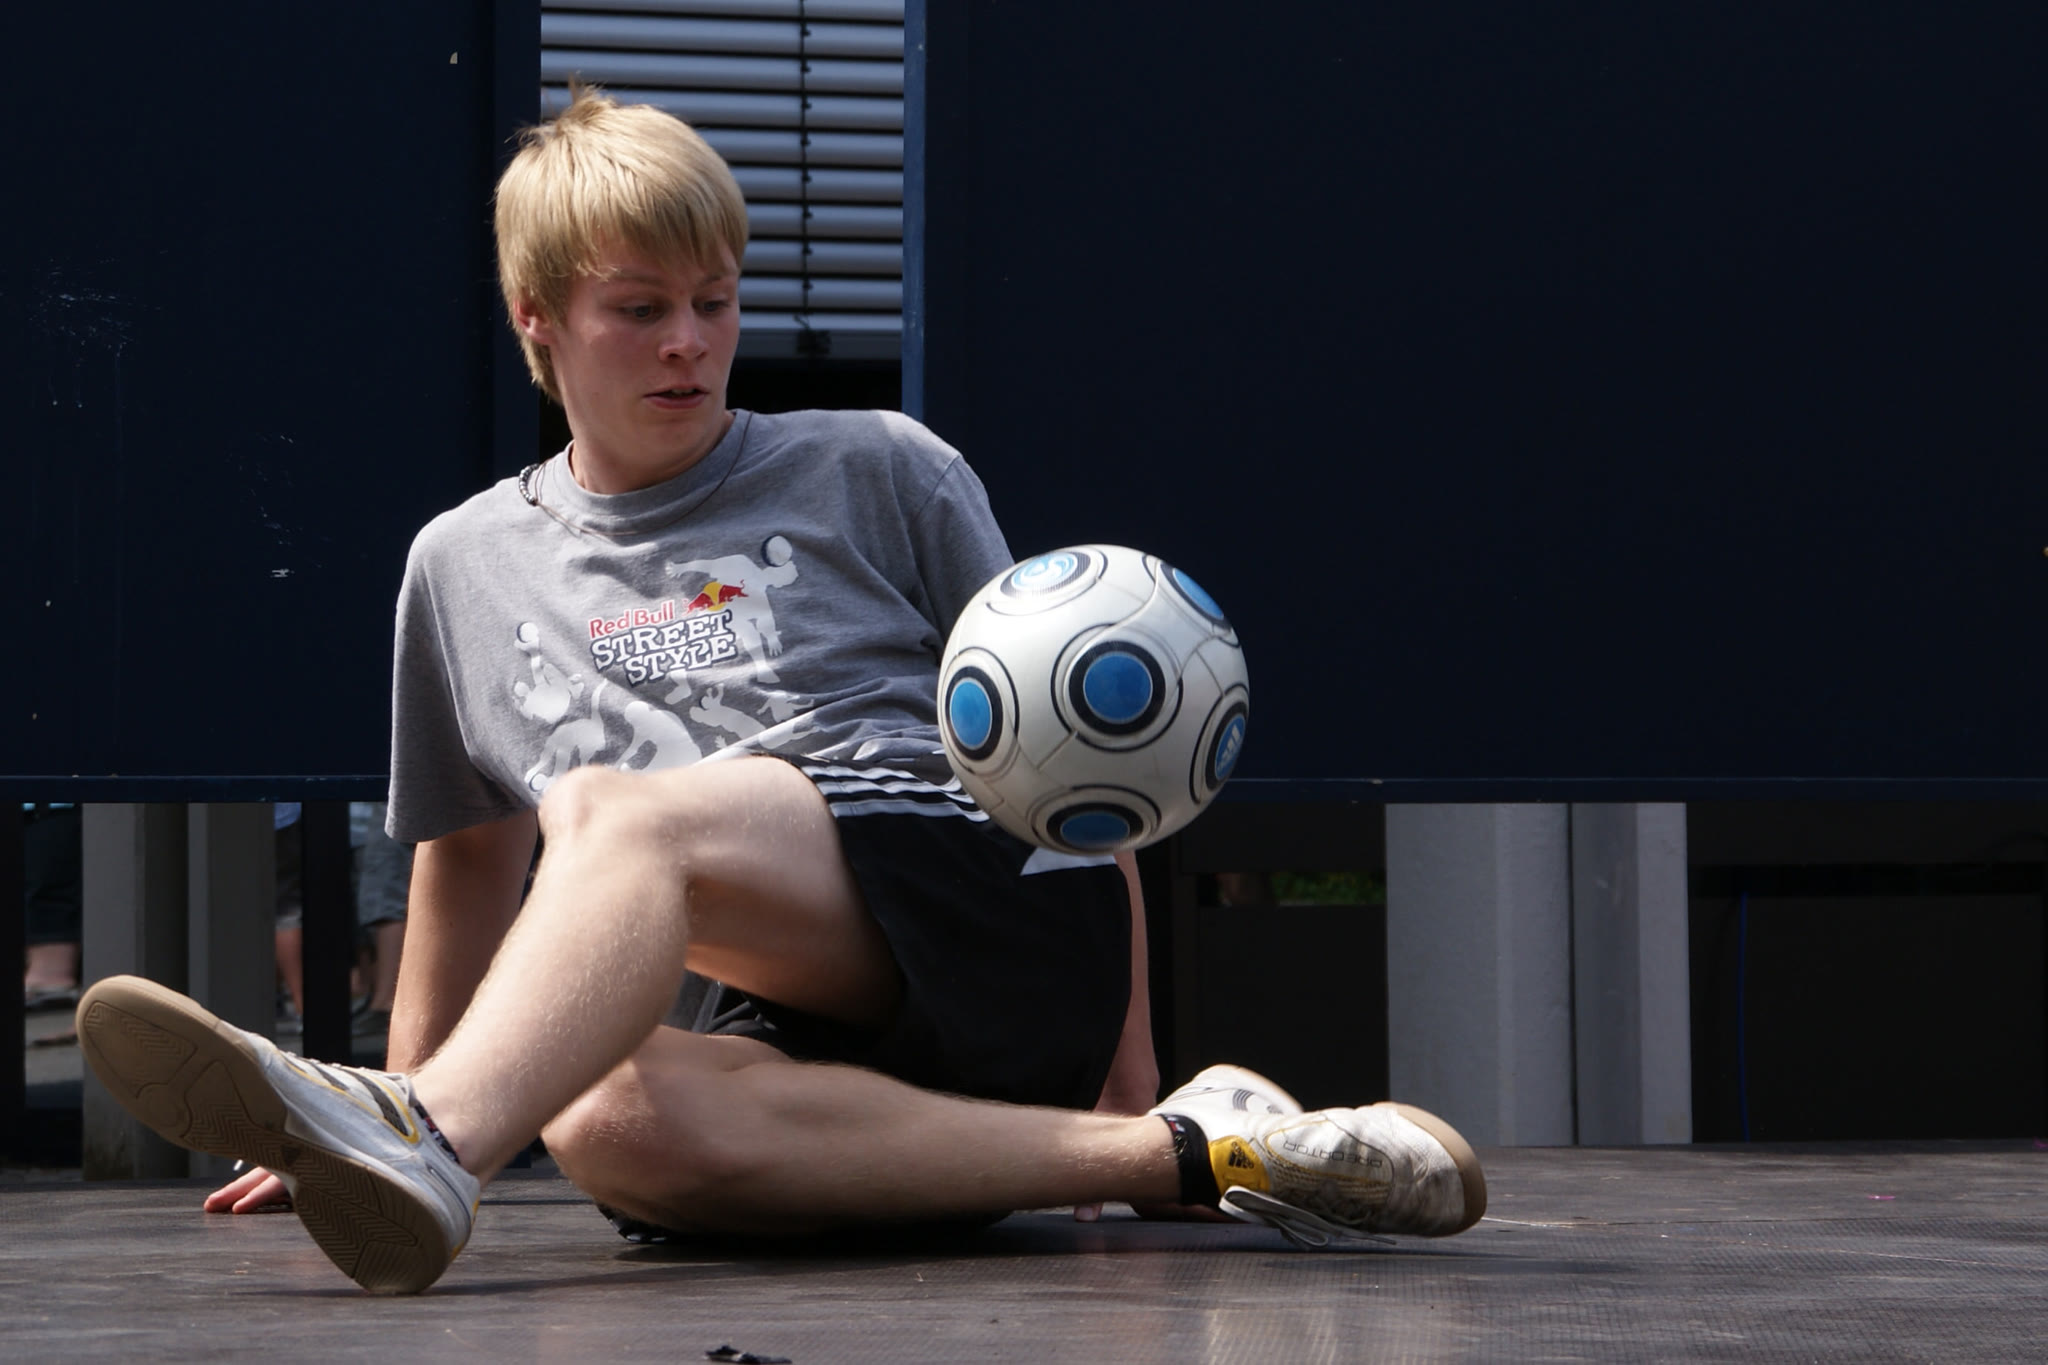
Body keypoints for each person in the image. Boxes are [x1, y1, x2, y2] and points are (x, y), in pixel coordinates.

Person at [75, 88, 1485, 1295]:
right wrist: (369, 1137)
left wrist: (1127, 1055)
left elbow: (1070, 775)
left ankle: (426, 1135)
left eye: (716, 300)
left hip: (985, 899)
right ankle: (1198, 1153)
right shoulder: (463, 564)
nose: (689, 341)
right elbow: (464, 865)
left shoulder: (881, 465)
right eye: (640, 309)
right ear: (536, 319)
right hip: (796, 1017)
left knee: (613, 814)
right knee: (605, 1112)